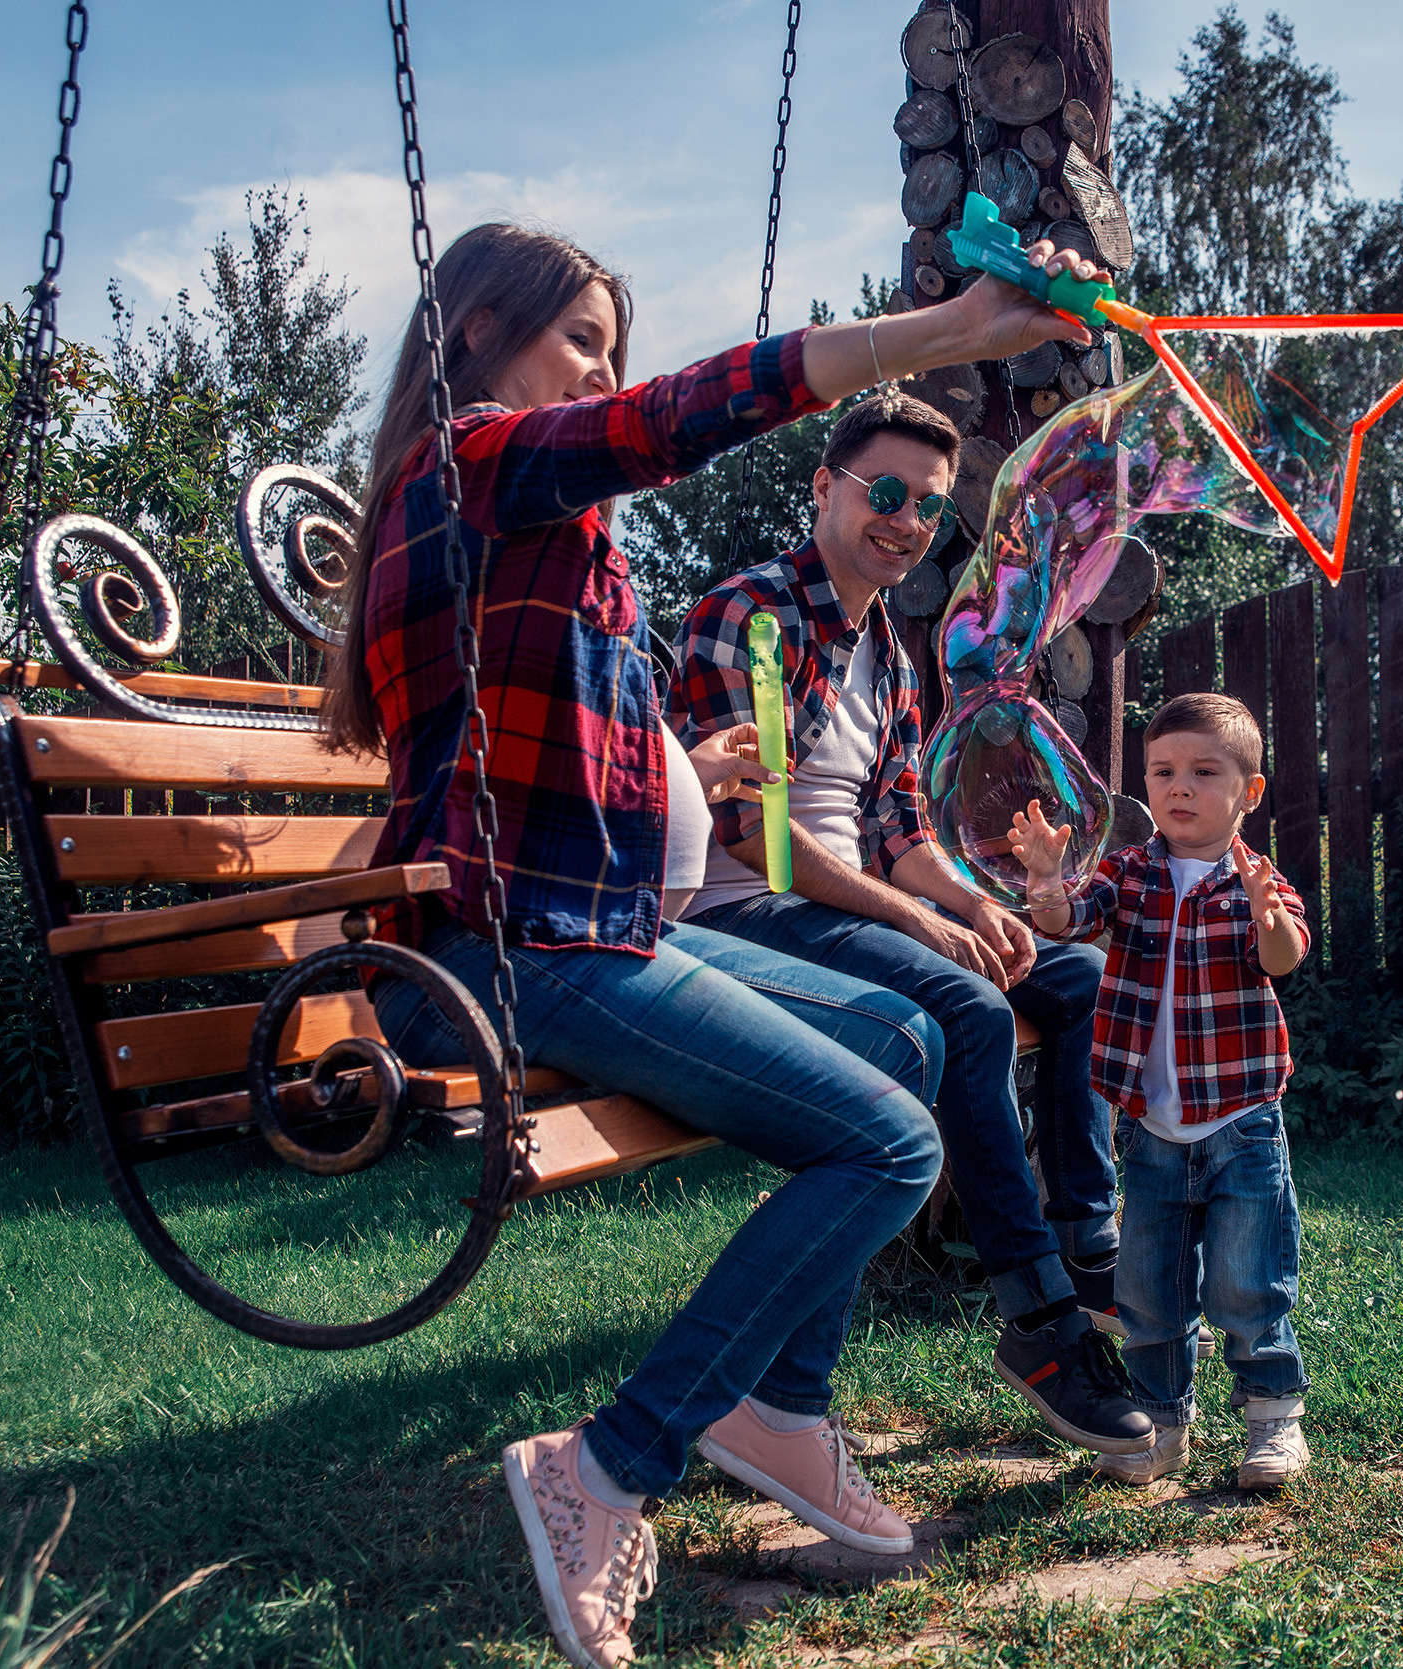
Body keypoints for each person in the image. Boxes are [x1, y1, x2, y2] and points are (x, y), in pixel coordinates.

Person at [319, 221, 1111, 1669]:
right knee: (887, 1141)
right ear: (479, 331)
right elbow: (682, 416)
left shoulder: (539, 532)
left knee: (921, 1033)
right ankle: (612, 1463)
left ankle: (785, 1410)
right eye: (580, 341)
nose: (603, 375)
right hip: (497, 951)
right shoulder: (470, 468)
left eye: (611, 351)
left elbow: (588, 759)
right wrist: (942, 330)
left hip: (592, 930)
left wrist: (688, 763)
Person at [672, 390, 1150, 1458]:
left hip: (844, 904)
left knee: (1075, 984)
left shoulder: (886, 644)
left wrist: (975, 903)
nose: (906, 522)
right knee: (971, 1012)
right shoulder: (751, 617)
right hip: (746, 915)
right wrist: (925, 928)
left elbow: (894, 824)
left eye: (930, 509)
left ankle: (1088, 1247)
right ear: (823, 489)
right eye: (885, 493)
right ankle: (1036, 1323)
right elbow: (765, 839)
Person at [1008, 692, 1314, 1490]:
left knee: (1247, 1282)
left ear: (1248, 792)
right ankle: (1160, 1426)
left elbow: (1282, 956)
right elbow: (1072, 919)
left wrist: (1263, 912)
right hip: (1149, 1127)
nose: (1180, 787)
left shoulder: (1257, 880)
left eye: (1204, 772)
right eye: (1163, 771)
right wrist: (1046, 879)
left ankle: (1273, 1420)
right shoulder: (1131, 869)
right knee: (1147, 1290)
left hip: (1241, 1123)